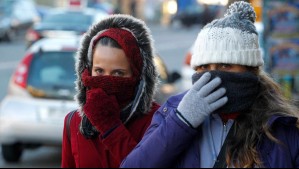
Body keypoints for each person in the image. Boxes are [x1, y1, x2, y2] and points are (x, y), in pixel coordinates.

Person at [121, 1, 299, 168]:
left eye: (225, 65)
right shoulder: (174, 111)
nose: (213, 75)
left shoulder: (281, 127)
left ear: (249, 69)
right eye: (204, 67)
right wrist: (182, 122)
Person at [61, 14, 160, 168]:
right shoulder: (74, 122)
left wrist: (111, 127)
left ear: (137, 75)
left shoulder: (157, 121)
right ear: (87, 70)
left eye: (118, 73)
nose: (106, 80)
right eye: (99, 71)